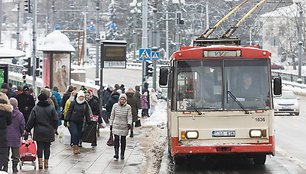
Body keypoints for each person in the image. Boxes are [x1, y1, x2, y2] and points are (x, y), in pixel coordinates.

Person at [26, 92, 58, 169]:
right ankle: (46, 164)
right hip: (49, 131)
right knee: (47, 147)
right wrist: (54, 128)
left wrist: (27, 129)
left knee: (39, 147)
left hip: (39, 131)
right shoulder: (51, 108)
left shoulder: (35, 108)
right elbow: (56, 120)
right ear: (47, 99)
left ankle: (40, 163)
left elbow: (31, 120)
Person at [109, 94, 132, 160]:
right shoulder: (115, 106)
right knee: (116, 140)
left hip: (124, 125)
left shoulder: (128, 107)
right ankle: (116, 153)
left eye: (124, 99)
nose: (122, 100)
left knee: (123, 140)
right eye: (121, 99)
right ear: (119, 99)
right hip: (116, 125)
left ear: (126, 100)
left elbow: (129, 116)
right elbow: (112, 115)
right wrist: (111, 124)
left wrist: (129, 123)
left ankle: (122, 154)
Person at [7, 98, 25, 173]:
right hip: (15, 137)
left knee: (5, 153)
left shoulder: (5, 113)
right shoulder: (20, 114)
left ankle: (5, 167)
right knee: (16, 154)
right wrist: (20, 134)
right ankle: (14, 168)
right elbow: (22, 126)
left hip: (5, 137)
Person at [0, 92, 12, 172]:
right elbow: (9, 122)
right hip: (3, 133)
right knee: (3, 151)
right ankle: (4, 167)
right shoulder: (8, 111)